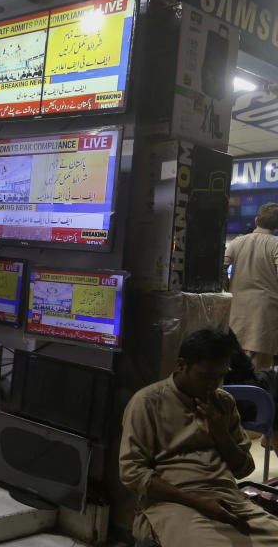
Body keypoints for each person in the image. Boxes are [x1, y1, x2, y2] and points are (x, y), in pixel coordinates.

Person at [119, 329, 278, 546]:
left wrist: (220, 432)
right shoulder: (148, 402)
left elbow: (244, 469)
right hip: (174, 503)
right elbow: (132, 473)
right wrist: (200, 502)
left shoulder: (223, 402)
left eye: (221, 376)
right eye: (205, 376)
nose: (213, 385)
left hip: (227, 498)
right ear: (182, 365)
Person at [224, 203, 278, 369]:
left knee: (233, 367)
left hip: (236, 315)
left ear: (256, 221)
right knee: (259, 371)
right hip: (265, 317)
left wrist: (227, 285)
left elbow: (220, 266)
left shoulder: (237, 242)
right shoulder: (276, 244)